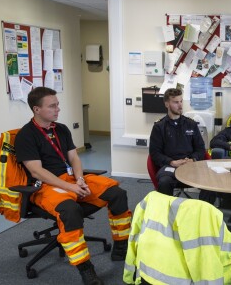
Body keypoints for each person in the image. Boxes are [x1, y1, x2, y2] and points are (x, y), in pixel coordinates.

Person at [15, 87, 132, 285]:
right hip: (46, 186)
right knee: (70, 210)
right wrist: (70, 188)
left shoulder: (60, 129)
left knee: (116, 193)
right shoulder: (26, 135)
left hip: (71, 180)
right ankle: (85, 268)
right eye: (52, 106)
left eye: (57, 105)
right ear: (36, 109)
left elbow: (74, 157)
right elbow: (36, 171)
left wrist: (79, 180)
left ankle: (121, 246)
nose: (57, 109)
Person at [149, 88, 205, 196]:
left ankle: (204, 211)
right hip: (170, 165)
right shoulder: (159, 127)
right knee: (164, 182)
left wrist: (193, 159)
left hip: (190, 165)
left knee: (210, 179)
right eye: (175, 102)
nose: (180, 105)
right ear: (167, 104)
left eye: (181, 101)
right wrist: (172, 162)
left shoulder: (191, 124)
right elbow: (155, 153)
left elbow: (201, 148)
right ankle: (166, 212)